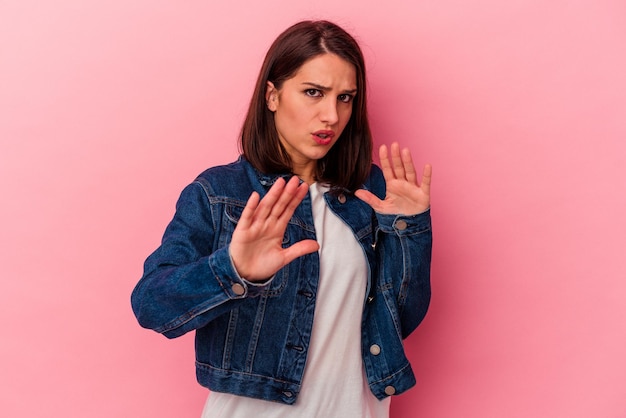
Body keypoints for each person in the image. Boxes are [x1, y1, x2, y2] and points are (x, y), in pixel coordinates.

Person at [131, 20, 432, 418]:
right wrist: (234, 271)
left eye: (345, 98)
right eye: (313, 93)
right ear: (272, 96)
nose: (332, 115)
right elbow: (151, 305)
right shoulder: (221, 193)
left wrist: (409, 230)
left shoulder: (371, 193)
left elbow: (402, 318)